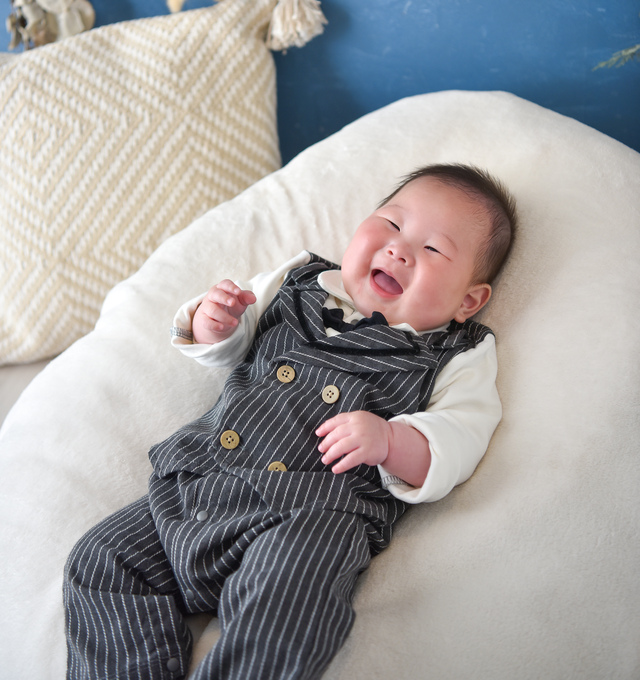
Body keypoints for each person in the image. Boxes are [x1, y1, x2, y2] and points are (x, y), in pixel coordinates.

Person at [64, 163, 517, 680]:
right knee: (99, 559)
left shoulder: (455, 354)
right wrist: (213, 323)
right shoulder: (300, 280)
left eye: (433, 249)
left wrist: (393, 440)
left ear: (468, 300)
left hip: (309, 513)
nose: (399, 249)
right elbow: (232, 346)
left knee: (292, 595)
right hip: (200, 483)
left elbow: (459, 441)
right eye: (392, 224)